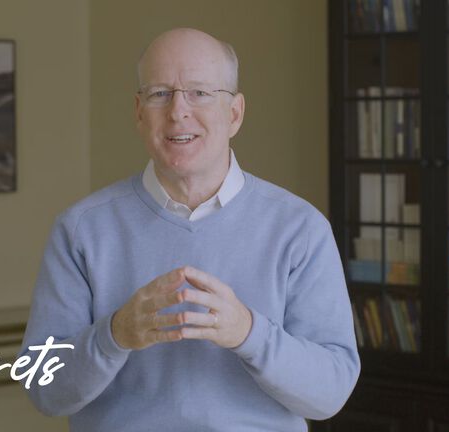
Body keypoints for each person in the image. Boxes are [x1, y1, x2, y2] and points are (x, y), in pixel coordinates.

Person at [18, 27, 360, 431]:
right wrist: (114, 335)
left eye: (199, 93)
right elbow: (43, 389)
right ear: (139, 112)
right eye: (160, 93)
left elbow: (330, 394)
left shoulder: (301, 229)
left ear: (234, 114)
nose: (178, 111)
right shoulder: (80, 230)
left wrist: (249, 333)